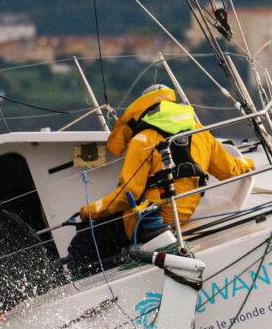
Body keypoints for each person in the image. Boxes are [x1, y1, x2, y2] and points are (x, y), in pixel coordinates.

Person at [65, 86, 254, 270]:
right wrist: (247, 163)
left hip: (153, 218)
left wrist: (89, 211)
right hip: (183, 213)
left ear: (145, 108)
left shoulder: (144, 139)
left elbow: (128, 194)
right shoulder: (200, 132)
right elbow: (229, 170)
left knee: (82, 243)